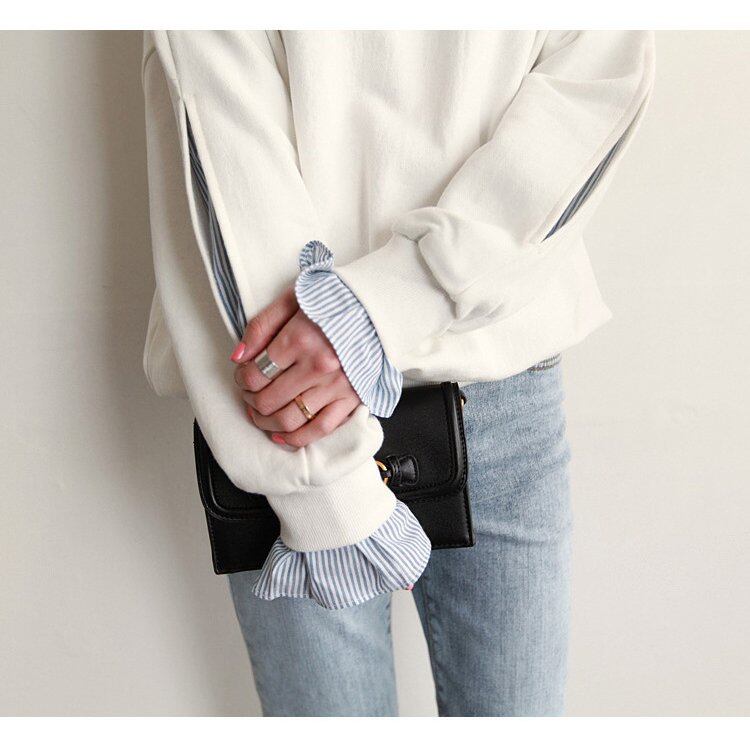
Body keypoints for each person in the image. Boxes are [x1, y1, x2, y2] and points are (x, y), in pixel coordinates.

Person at [141, 30, 655, 716]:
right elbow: (220, 152)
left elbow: (597, 78)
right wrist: (324, 491)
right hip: (287, 423)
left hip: (477, 388)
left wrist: (376, 311)